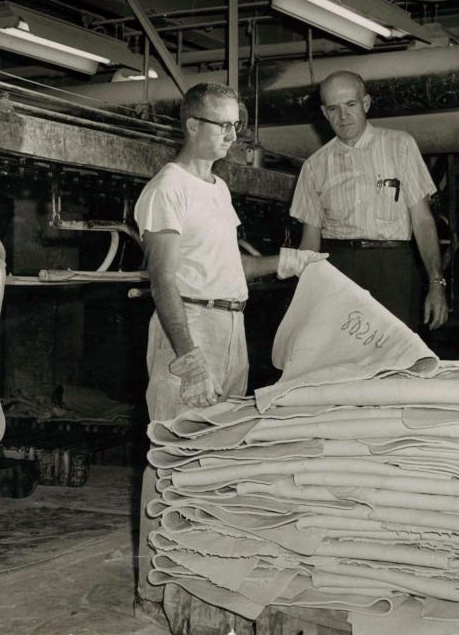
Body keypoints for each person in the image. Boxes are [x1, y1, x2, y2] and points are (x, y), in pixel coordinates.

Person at [131, 82, 324, 621]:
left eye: (237, 125)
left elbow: (230, 269)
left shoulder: (216, 188)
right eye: (222, 125)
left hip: (229, 325)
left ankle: (199, 580)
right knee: (173, 458)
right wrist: (186, 356)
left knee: (217, 459)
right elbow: (163, 280)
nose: (232, 135)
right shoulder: (167, 188)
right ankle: (154, 590)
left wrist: (286, 263)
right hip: (188, 325)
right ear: (191, 125)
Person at [291, 71, 449, 330]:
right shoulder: (314, 166)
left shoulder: (401, 145)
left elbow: (422, 222)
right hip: (337, 270)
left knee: (398, 359)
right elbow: (310, 241)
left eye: (351, 105)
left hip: (393, 267)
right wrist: (304, 297)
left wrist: (436, 284)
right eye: (334, 108)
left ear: (365, 104)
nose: (343, 117)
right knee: (342, 360)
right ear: (324, 113)